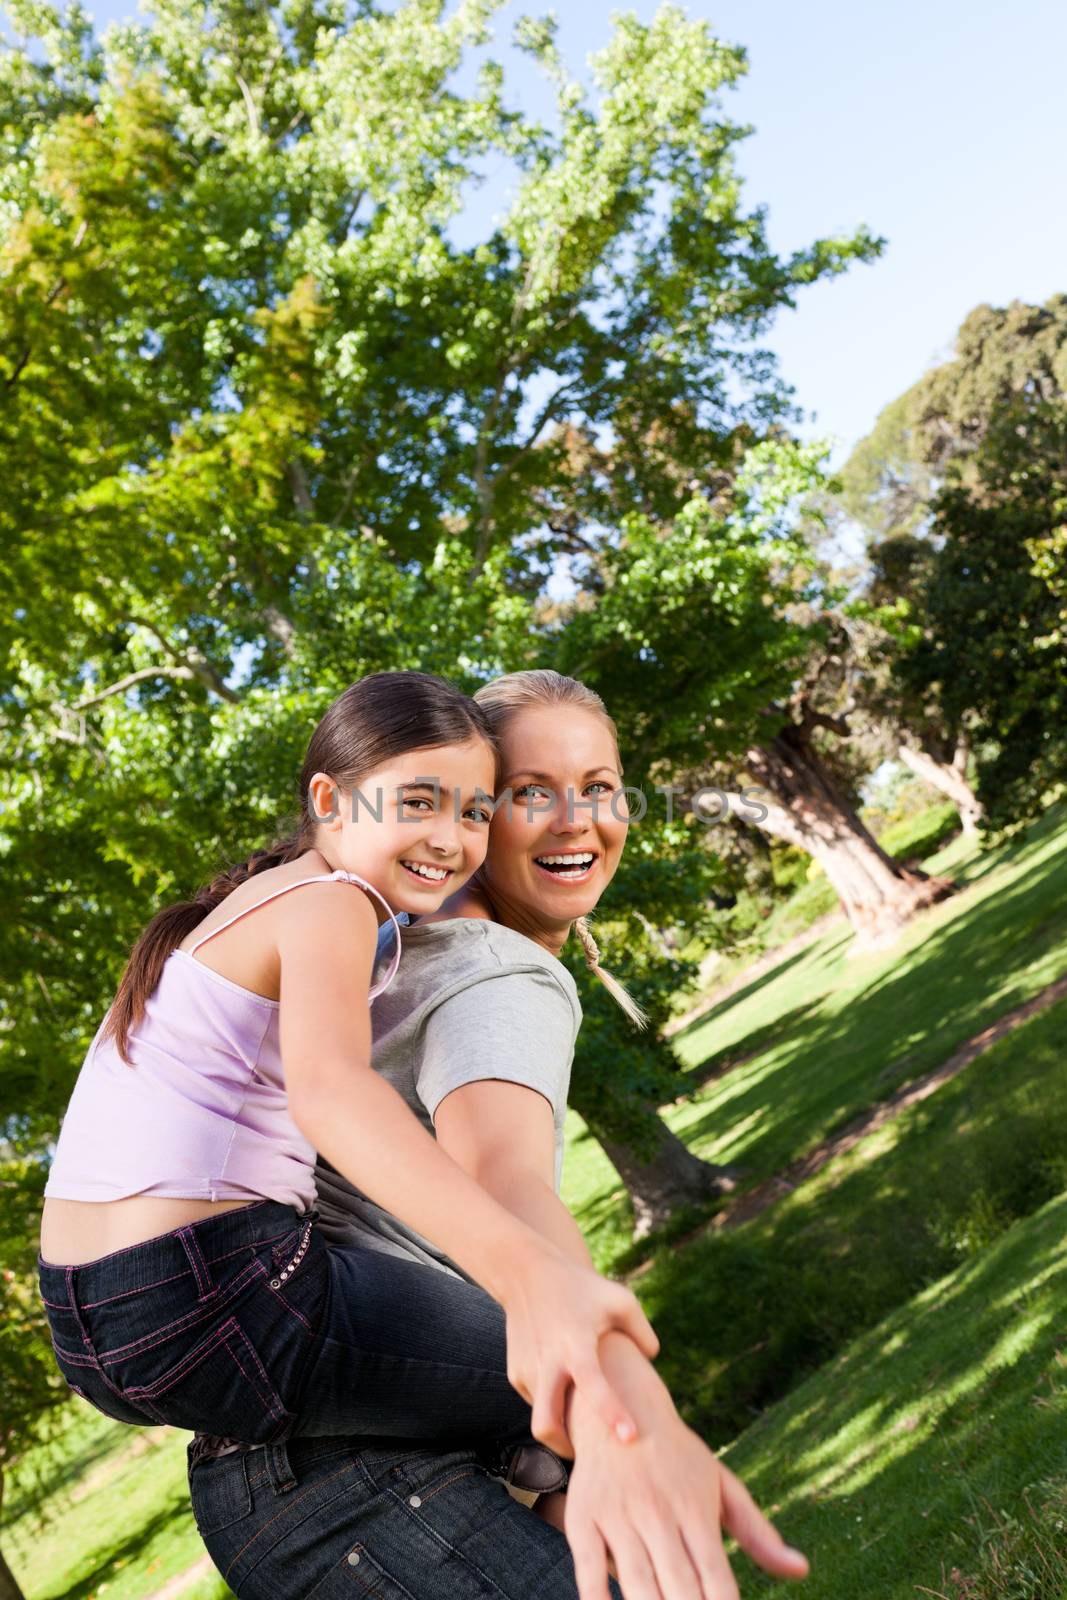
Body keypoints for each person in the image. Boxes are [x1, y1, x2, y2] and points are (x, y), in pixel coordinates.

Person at [188, 671, 809, 1600]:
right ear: (473, 823)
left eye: (599, 787)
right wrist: (628, 1408)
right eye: (529, 795)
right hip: (358, 1483)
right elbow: (506, 1180)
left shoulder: (390, 953)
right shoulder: (493, 971)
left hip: (297, 1475)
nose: (576, 822)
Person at [38, 670, 661, 1479]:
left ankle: (519, 1455)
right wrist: (535, 1276)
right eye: (417, 802)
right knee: (579, 1384)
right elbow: (331, 1093)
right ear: (330, 802)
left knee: (536, 1415)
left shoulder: (267, 899)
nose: (449, 838)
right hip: (217, 1292)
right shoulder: (333, 905)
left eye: (474, 812)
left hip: (89, 1321)